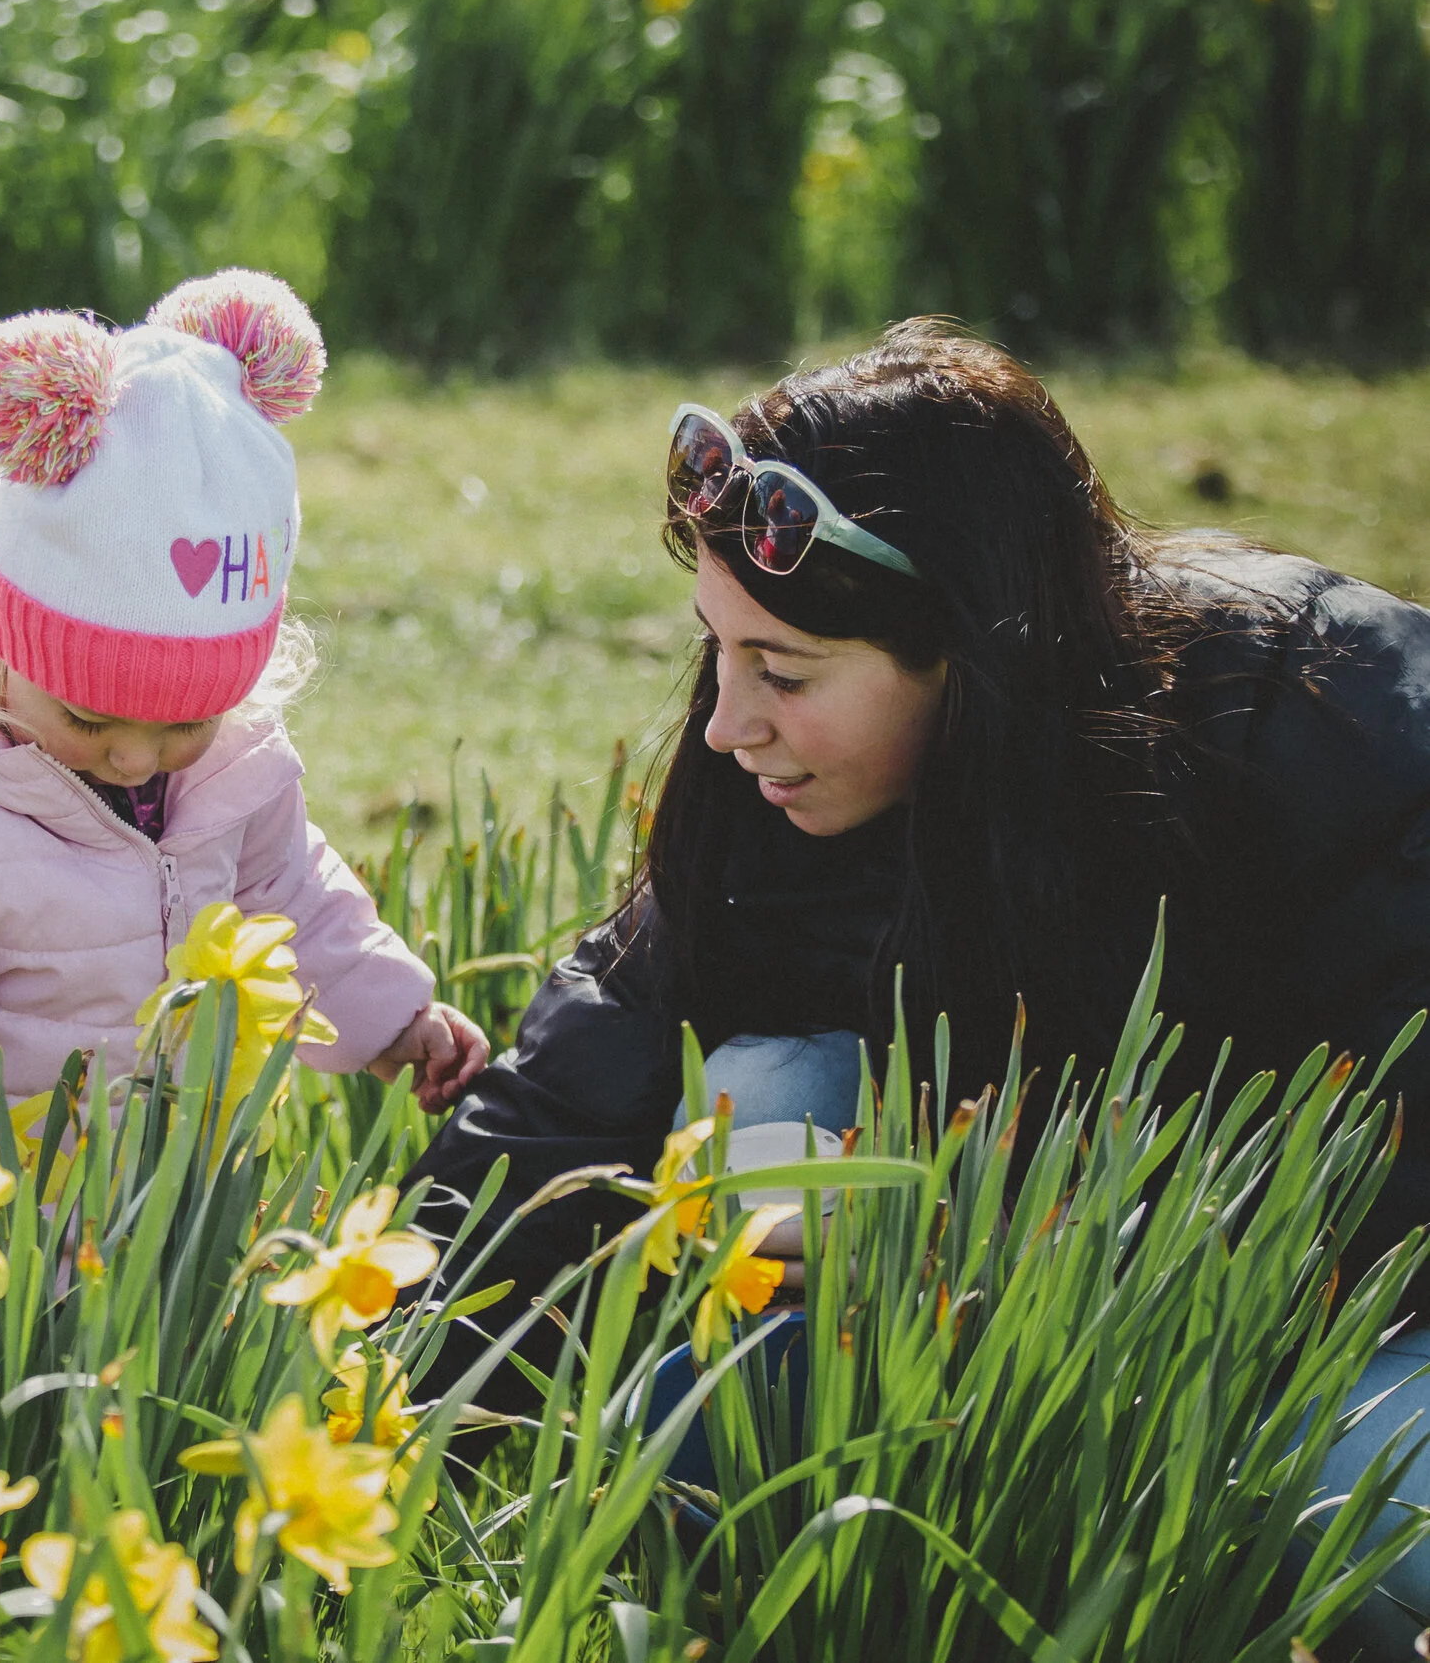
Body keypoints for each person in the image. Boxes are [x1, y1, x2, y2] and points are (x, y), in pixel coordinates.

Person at [403, 322, 1430, 1639]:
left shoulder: (1307, 714)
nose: (725, 722)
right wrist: (388, 1384)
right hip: (1034, 1249)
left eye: (781, 670)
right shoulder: (786, 784)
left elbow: (1378, 1125)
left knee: (1347, 1509)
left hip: (1345, 1296)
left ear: (974, 656)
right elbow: (591, 1070)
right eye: (718, 648)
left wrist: (1017, 1246)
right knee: (754, 1115)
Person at [0, 269, 489, 1210]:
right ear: (1, 649)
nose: (137, 759)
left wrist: (392, 1017)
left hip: (159, 1216)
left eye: (185, 722)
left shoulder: (234, 767)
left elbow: (287, 896)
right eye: (90, 721)